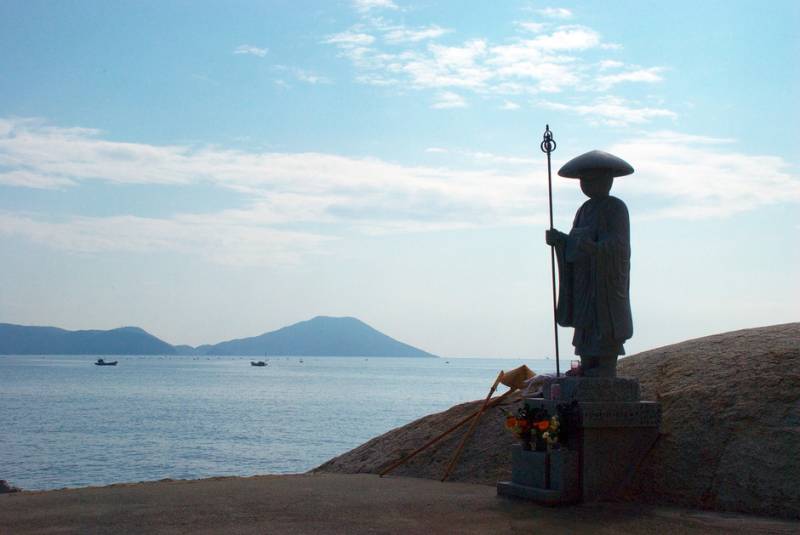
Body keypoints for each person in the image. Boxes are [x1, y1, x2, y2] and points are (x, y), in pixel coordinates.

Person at [545, 150, 634, 377]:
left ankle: (605, 366)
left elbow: (619, 244)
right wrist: (561, 241)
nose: (586, 185)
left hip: (604, 278)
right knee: (585, 322)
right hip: (585, 278)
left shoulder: (616, 207)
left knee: (603, 320)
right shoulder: (583, 210)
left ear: (607, 181)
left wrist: (595, 247)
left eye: (592, 180)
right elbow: (574, 241)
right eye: (583, 181)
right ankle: (587, 363)